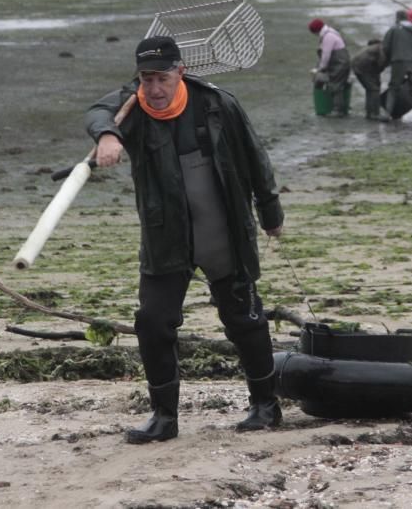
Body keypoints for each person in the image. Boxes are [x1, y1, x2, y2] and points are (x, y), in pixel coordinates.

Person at [85, 35, 285, 444]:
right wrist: (107, 135)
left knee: (244, 319)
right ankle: (163, 418)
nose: (155, 90)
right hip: (166, 235)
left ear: (181, 71)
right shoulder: (132, 107)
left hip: (222, 230)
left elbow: (254, 157)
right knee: (152, 322)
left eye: (162, 78)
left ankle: (265, 405)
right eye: (146, 79)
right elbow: (98, 112)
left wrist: (270, 213)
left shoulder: (217, 104)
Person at [382, 9, 412, 122]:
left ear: (397, 18)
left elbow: (385, 47)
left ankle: (387, 114)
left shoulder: (393, 29)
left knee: (393, 87)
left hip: (398, 61)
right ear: (407, 18)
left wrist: (391, 56)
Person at [308, 18, 351, 117]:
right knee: (337, 85)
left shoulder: (328, 37)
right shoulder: (331, 32)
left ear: (316, 31)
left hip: (340, 64)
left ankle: (338, 111)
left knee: (336, 86)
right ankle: (339, 108)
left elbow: (326, 55)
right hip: (341, 63)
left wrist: (320, 68)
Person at [351, 38, 388, 121]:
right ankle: (374, 114)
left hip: (358, 65)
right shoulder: (381, 48)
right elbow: (381, 62)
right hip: (361, 67)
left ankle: (370, 113)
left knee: (371, 89)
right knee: (373, 89)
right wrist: (379, 70)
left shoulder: (373, 48)